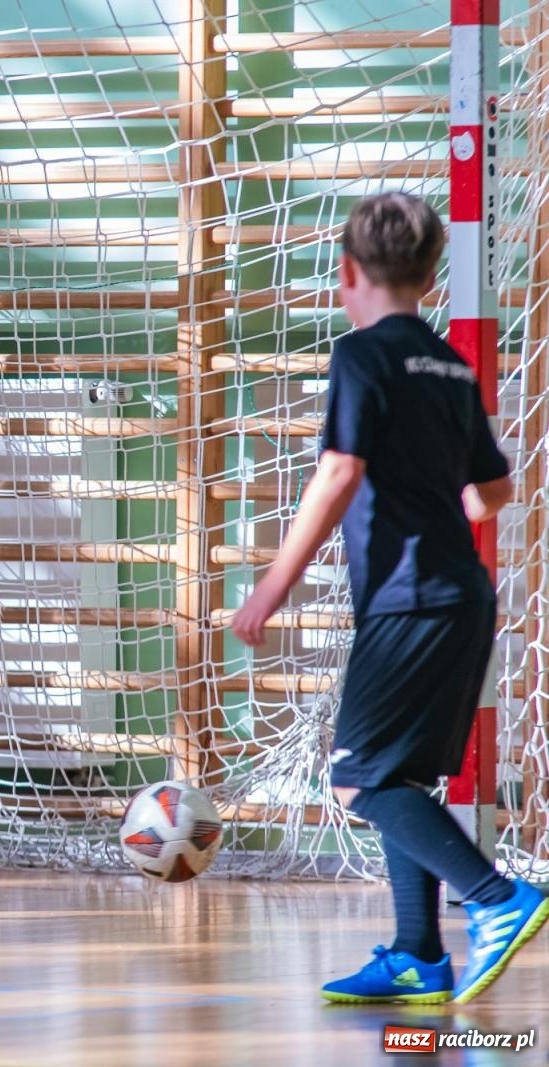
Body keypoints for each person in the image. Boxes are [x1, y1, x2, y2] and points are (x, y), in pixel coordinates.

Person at [230, 192, 545, 1004]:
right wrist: (441, 502)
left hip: (408, 602)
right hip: (461, 598)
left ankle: (498, 897)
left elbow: (339, 473)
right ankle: (418, 955)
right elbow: (494, 489)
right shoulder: (449, 365)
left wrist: (273, 583)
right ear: (432, 275)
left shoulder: (361, 356)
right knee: (400, 774)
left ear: (346, 272)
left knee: (358, 778)